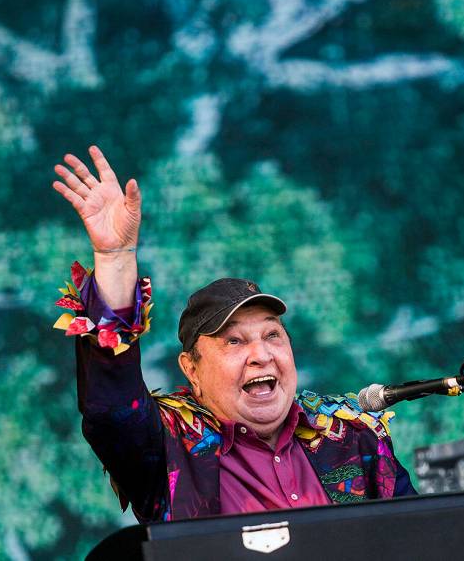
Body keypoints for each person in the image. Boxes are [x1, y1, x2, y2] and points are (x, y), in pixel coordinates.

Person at [52, 145, 416, 523]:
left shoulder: (351, 435)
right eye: (234, 341)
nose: (261, 354)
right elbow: (111, 410)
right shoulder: (172, 447)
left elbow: (420, 536)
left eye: (272, 335)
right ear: (191, 370)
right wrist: (115, 258)